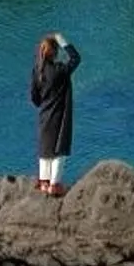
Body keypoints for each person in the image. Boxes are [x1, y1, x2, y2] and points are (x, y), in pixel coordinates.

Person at [30, 31, 82, 195]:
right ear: (55, 52)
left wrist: (43, 104)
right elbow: (75, 59)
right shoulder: (60, 70)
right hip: (60, 116)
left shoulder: (37, 71)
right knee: (59, 149)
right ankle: (55, 185)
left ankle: (44, 182)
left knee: (45, 149)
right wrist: (62, 40)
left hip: (44, 116)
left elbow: (34, 97)